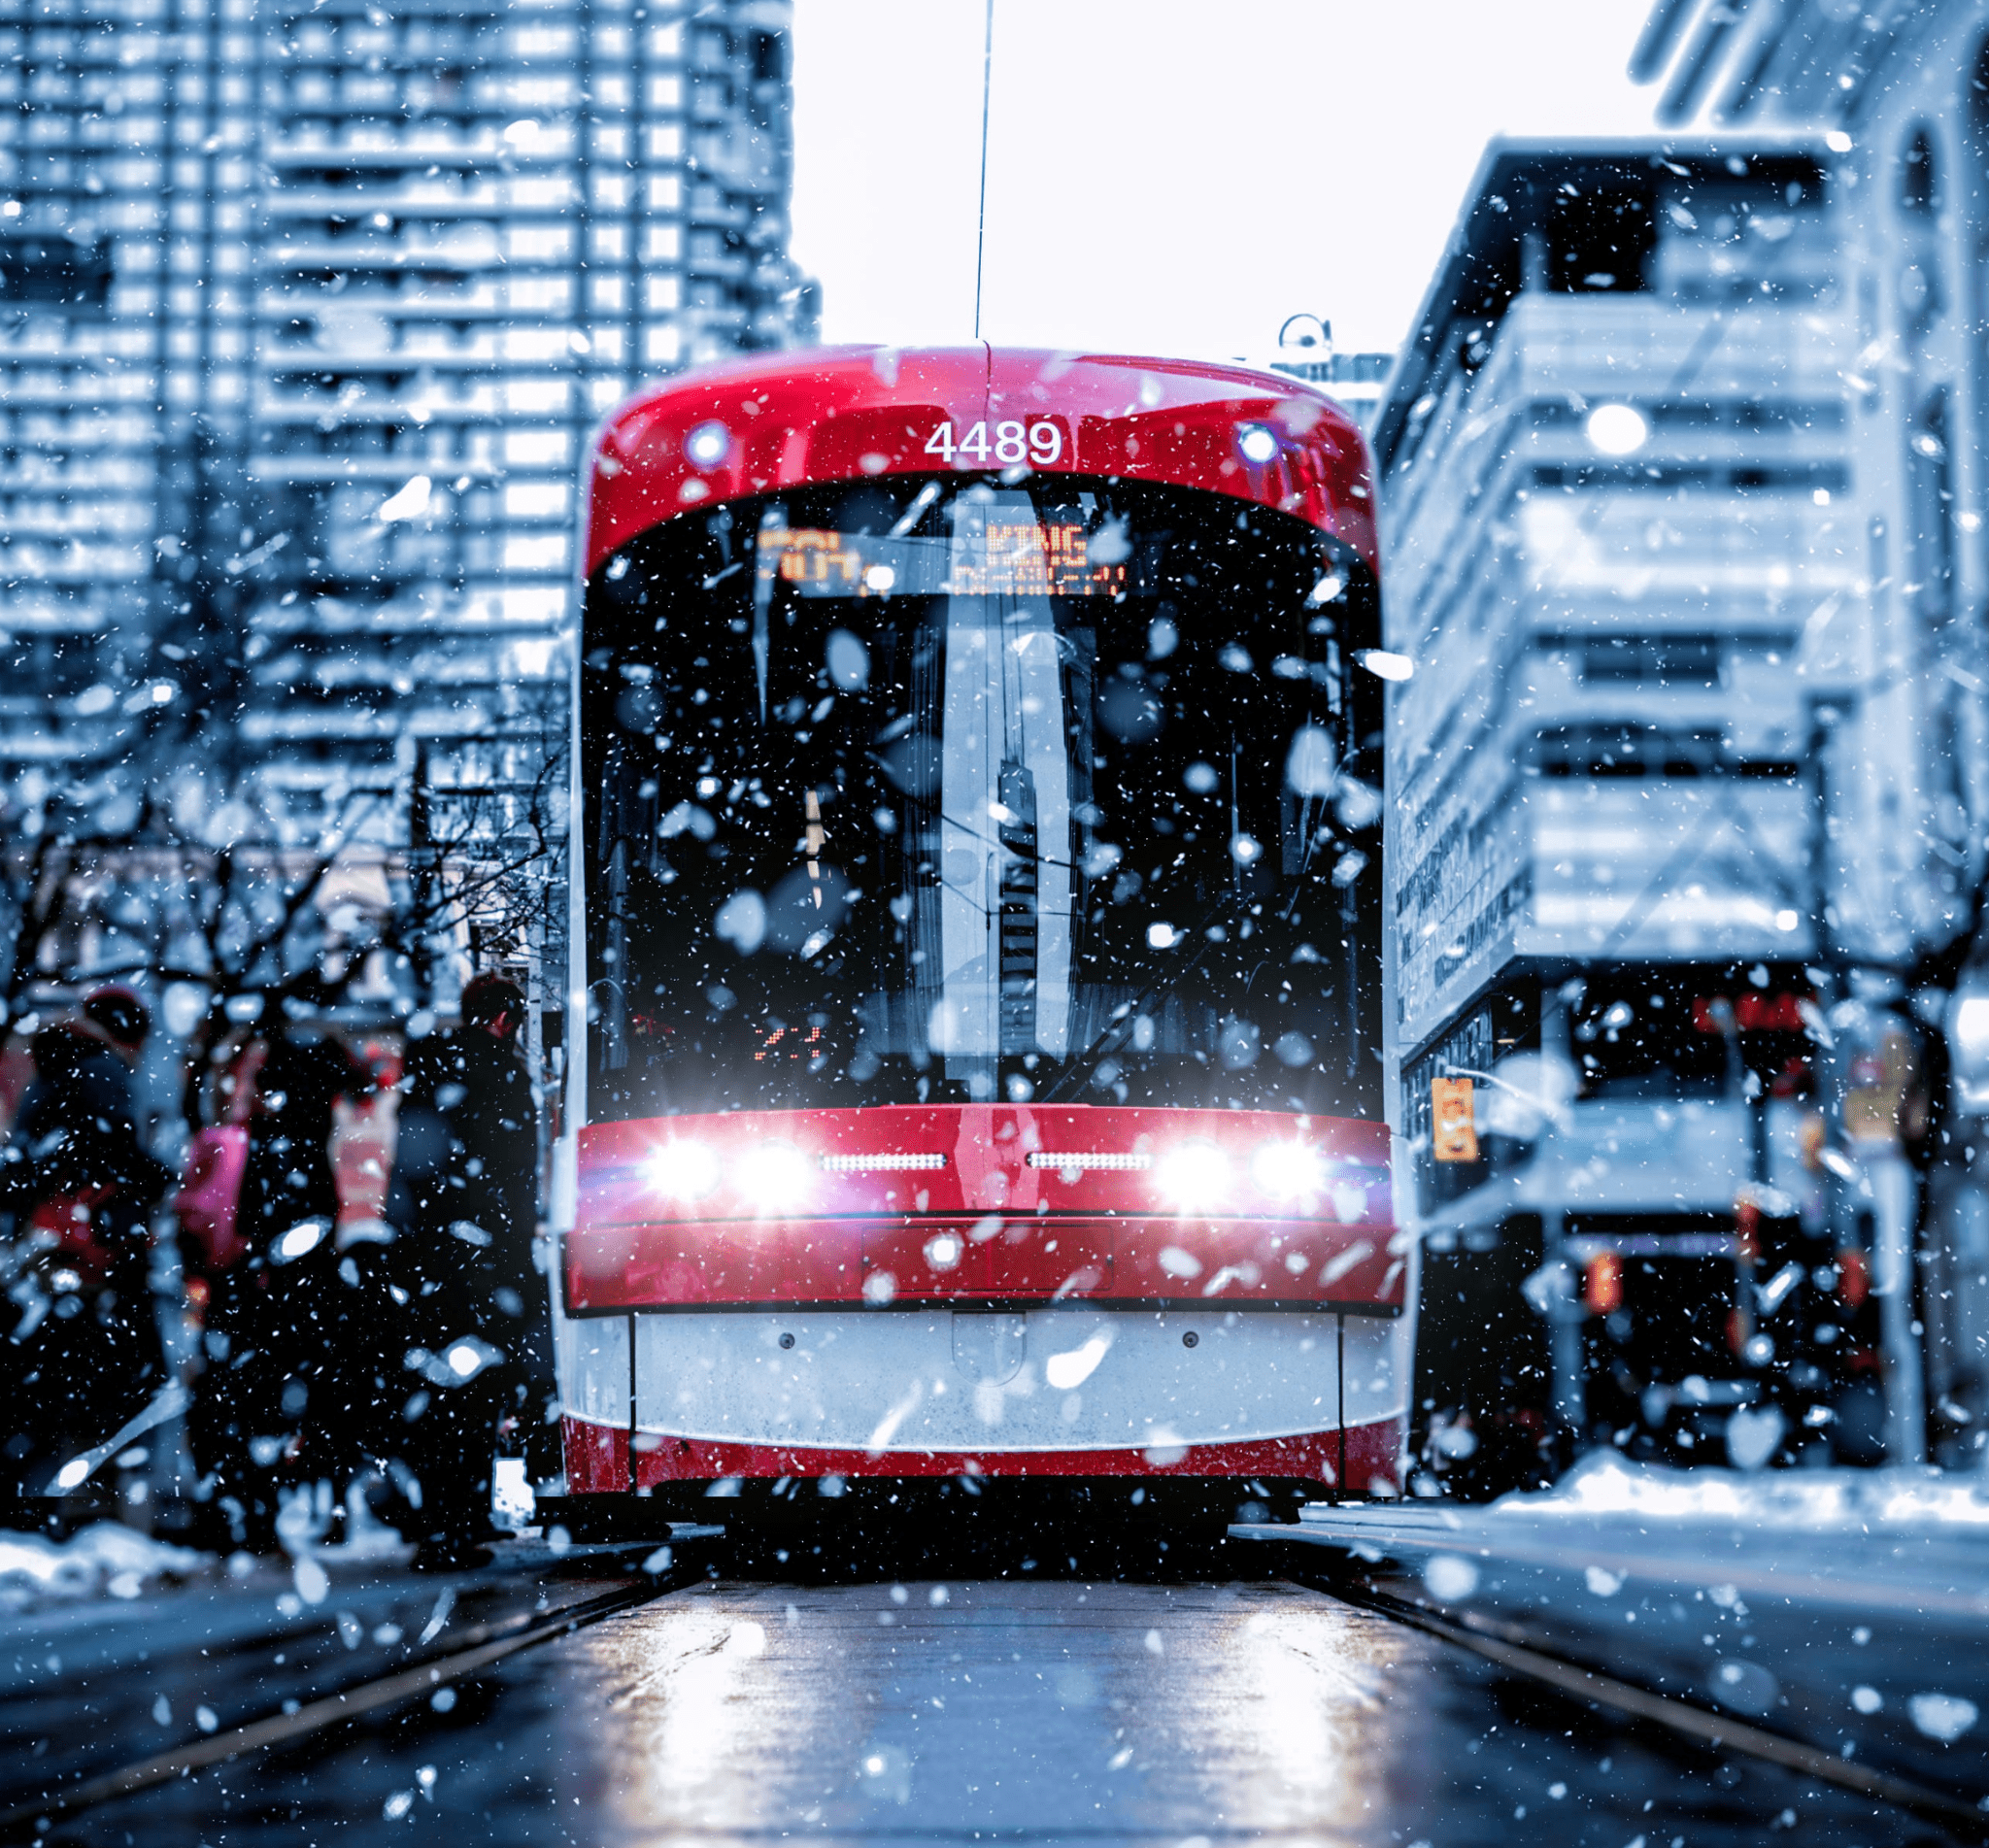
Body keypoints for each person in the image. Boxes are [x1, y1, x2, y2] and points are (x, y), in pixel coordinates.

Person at [185, 1011, 373, 1551]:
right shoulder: (303, 1143)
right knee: (315, 1388)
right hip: (297, 1280)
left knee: (254, 1391)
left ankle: (250, 1506)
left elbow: (253, 1212)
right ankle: (304, 1500)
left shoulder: (268, 1140)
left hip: (269, 1281)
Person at [382, 972, 542, 1567]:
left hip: (433, 1253)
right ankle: (461, 1519)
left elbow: (409, 1161)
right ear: (505, 1019)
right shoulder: (502, 1072)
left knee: (439, 1385)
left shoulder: (430, 1061)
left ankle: (439, 1518)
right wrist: (516, 1247)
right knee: (481, 1386)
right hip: (486, 1253)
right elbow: (515, 1172)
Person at [0, 987, 175, 1506]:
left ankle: (37, 1496)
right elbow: (113, 1151)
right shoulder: (103, 1070)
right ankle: (90, 1500)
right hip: (95, 1247)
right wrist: (154, 1180)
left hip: (52, 1245)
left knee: (45, 1374)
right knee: (113, 1378)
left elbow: (37, 1158)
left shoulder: (51, 1069)